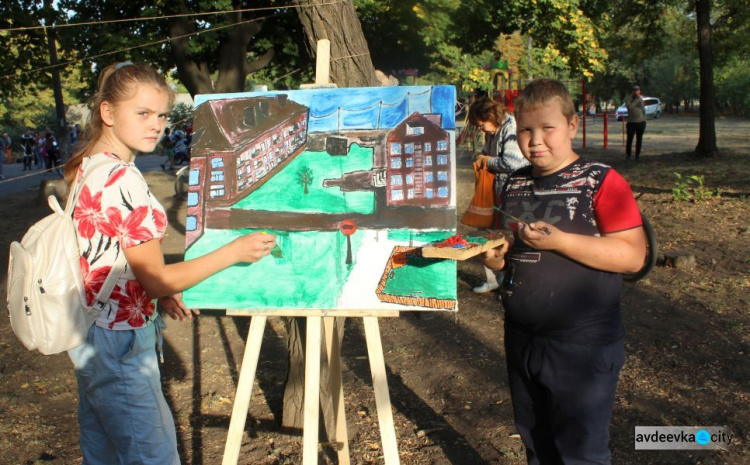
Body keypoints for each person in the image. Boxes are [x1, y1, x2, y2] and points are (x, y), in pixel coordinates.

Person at [63, 61, 277, 464]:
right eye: (142, 113)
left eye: (161, 115)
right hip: (120, 341)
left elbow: (112, 256)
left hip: (91, 331)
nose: (156, 124)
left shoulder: (88, 164)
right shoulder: (121, 179)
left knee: (104, 452)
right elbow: (157, 278)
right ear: (108, 113)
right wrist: (233, 252)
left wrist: (156, 294)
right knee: (153, 457)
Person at [483, 78, 646, 464]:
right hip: (522, 339)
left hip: (582, 346)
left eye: (547, 128)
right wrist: (495, 262)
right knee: (536, 442)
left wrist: (562, 242)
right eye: (525, 129)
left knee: (580, 452)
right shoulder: (514, 185)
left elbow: (632, 257)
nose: (535, 140)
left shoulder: (601, 181)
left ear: (572, 125)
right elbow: (509, 255)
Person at [467, 96, 529, 295]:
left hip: (512, 194)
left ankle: (511, 282)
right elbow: (488, 154)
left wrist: (487, 161)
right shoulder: (494, 129)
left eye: (481, 124)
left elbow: (512, 163)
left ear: (491, 116)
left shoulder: (510, 128)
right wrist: (484, 158)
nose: (481, 129)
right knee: (489, 233)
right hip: (496, 192)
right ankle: (495, 279)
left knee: (506, 237)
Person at [625, 85, 646, 160]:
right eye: (636, 90)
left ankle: (637, 155)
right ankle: (628, 155)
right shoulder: (628, 99)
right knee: (629, 139)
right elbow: (630, 107)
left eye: (639, 90)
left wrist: (644, 119)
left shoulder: (640, 99)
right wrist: (636, 99)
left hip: (640, 122)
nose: (638, 92)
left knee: (639, 139)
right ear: (633, 91)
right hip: (631, 122)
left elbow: (643, 109)